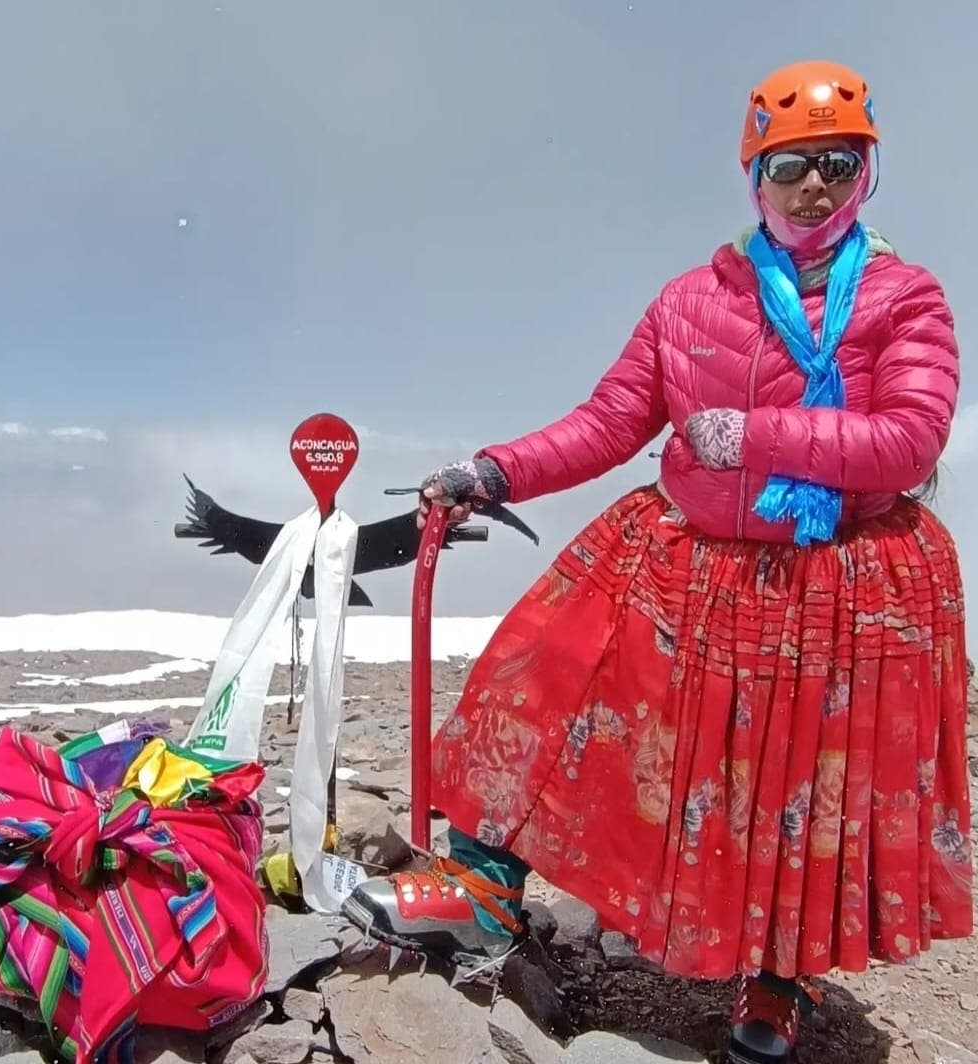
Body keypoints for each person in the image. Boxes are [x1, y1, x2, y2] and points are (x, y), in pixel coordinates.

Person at [342, 60, 971, 1063]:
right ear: (753, 172)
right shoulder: (692, 301)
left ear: (867, 174)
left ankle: (772, 980)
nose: (814, 184)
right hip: (688, 554)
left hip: (835, 576)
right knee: (542, 675)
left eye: (840, 164)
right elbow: (610, 420)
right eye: (791, 163)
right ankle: (481, 894)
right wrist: (496, 470)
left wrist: (752, 436)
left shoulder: (905, 298)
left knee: (794, 786)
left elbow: (909, 440)